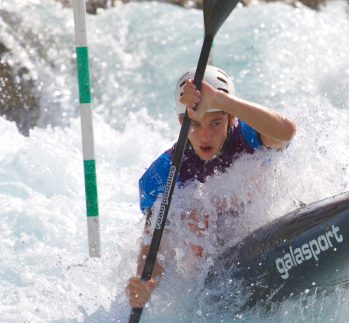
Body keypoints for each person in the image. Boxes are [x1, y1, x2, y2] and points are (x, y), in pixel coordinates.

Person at [127, 65, 296, 308]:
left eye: (216, 123)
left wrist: (221, 100)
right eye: (195, 125)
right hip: (211, 266)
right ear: (182, 122)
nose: (205, 136)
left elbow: (286, 132)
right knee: (193, 216)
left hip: (266, 231)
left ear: (231, 117)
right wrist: (144, 286)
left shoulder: (249, 135)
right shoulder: (163, 173)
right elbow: (154, 251)